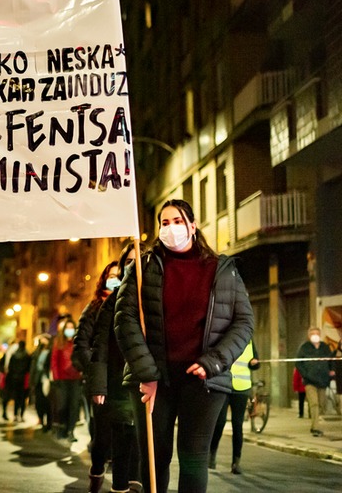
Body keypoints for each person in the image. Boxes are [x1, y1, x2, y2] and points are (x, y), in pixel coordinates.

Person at [115, 198, 253, 493]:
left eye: (177, 221)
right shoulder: (143, 267)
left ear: (193, 226)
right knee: (155, 459)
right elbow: (124, 321)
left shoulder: (222, 270)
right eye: (164, 223)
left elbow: (243, 323)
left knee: (193, 460)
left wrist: (213, 362)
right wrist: (146, 373)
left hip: (203, 381)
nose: (171, 228)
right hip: (154, 380)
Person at [90, 245, 140, 493]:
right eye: (128, 262)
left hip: (149, 383)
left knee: (143, 445)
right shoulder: (109, 305)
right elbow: (98, 347)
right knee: (120, 441)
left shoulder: (156, 295)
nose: (133, 266)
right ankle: (118, 486)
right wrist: (98, 385)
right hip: (118, 383)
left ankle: (136, 483)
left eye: (138, 260)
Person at [74, 260, 119, 491]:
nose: (117, 278)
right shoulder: (93, 307)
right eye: (112, 275)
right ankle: (97, 469)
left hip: (124, 380)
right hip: (102, 379)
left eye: (120, 274)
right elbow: (80, 344)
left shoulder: (132, 303)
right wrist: (95, 370)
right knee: (102, 434)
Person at [209, 341, 259, 474]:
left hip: (242, 387)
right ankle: (212, 454)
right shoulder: (224, 336)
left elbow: (255, 362)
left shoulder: (249, 342)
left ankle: (236, 462)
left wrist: (255, 363)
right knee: (220, 423)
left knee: (238, 425)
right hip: (224, 385)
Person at [295, 327, 335, 437]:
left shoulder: (325, 347)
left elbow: (330, 360)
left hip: (323, 380)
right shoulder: (304, 348)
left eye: (317, 333)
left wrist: (331, 371)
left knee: (321, 404)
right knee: (314, 404)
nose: (315, 335)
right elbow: (298, 363)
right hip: (309, 381)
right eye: (313, 333)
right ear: (309, 336)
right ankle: (315, 428)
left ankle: (314, 423)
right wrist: (305, 374)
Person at [50, 318, 83, 441]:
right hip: (62, 380)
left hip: (75, 379)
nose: (69, 330)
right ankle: (62, 428)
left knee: (74, 406)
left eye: (71, 327)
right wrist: (56, 377)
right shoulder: (58, 342)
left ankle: (71, 431)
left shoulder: (77, 343)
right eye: (67, 327)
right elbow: (54, 361)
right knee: (62, 405)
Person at [3, 340, 32, 423]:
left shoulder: (14, 355)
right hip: (24, 380)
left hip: (15, 380)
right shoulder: (27, 355)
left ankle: (15, 415)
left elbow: (10, 368)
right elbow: (29, 368)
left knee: (16, 398)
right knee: (23, 399)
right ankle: (21, 415)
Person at [29, 333, 52, 432]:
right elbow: (33, 365)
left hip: (47, 380)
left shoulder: (51, 351)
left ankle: (49, 423)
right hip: (38, 380)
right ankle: (41, 420)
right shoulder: (38, 352)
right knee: (39, 402)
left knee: (48, 403)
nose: (43, 342)